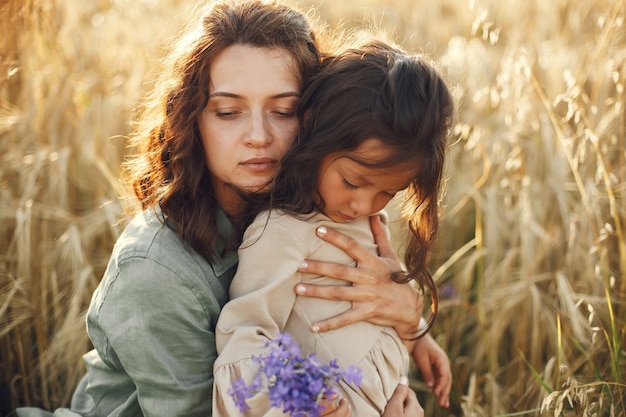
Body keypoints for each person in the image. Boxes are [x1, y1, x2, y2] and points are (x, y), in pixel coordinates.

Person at [15, 1, 449, 416]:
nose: (258, 136)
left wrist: (410, 317)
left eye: (283, 110)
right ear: (191, 119)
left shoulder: (325, 210)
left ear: (320, 116)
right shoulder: (156, 273)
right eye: (227, 112)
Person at [213, 39, 454, 417]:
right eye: (352, 181)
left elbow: (381, 294)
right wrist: (302, 408)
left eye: (388, 192)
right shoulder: (282, 232)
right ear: (317, 132)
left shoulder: (365, 220)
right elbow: (245, 336)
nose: (364, 205)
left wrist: (417, 334)